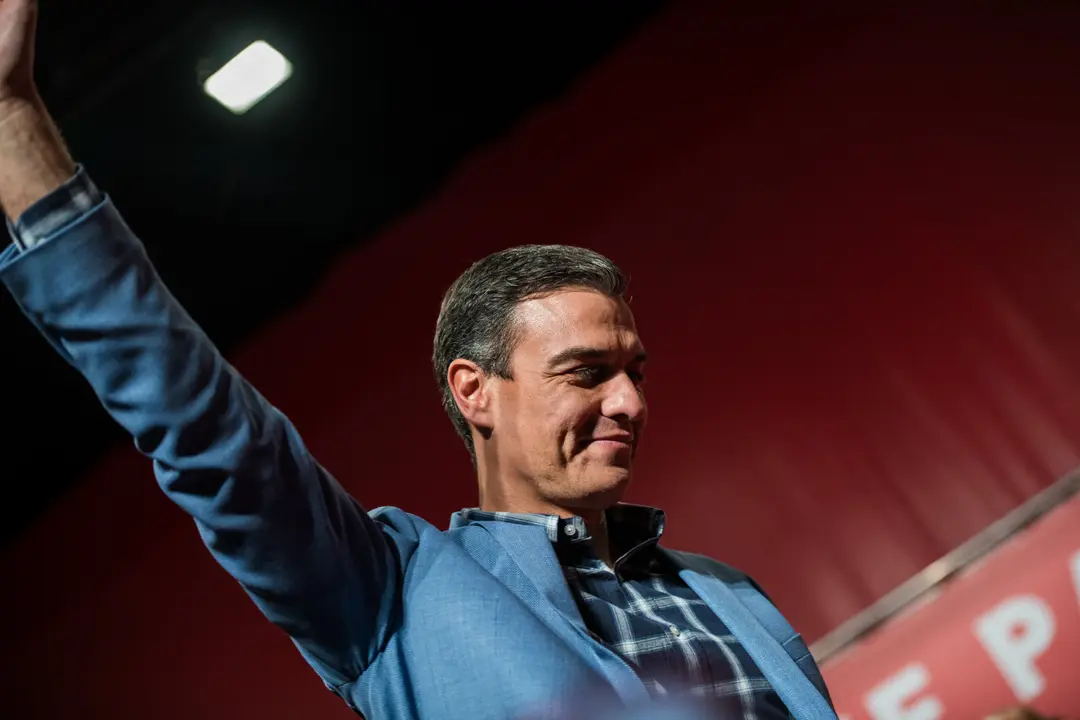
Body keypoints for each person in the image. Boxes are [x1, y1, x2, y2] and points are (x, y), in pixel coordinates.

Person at [0, 1, 835, 718]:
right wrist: (10, 119)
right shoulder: (389, 594)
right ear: (475, 392)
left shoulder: (728, 594)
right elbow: (209, 432)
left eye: (634, 373)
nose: (630, 403)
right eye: (587, 373)